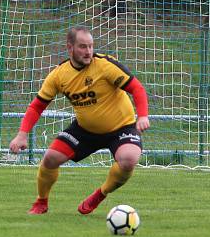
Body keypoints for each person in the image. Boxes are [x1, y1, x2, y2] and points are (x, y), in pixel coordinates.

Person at [9, 25, 150, 215]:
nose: (88, 51)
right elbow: (37, 106)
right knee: (50, 159)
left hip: (121, 128)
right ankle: (41, 202)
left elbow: (137, 88)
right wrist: (21, 135)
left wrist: (142, 115)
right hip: (85, 131)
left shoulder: (105, 65)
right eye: (83, 47)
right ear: (70, 48)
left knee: (129, 160)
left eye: (91, 46)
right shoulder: (59, 75)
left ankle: (100, 194)